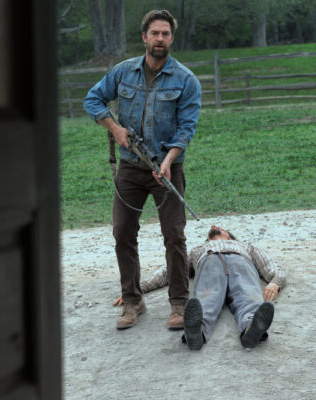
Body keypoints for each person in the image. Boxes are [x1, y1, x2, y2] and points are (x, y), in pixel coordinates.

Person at [84, 9, 202, 330]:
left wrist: (167, 161)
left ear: (171, 38)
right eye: (155, 33)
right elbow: (93, 100)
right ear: (144, 37)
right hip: (129, 169)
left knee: (174, 236)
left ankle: (179, 302)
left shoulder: (186, 80)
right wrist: (115, 129)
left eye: (165, 34)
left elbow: (186, 129)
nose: (160, 39)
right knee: (123, 232)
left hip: (167, 170)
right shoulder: (123, 73)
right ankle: (132, 301)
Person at [114, 225, 286, 350]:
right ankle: (196, 331)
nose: (213, 227)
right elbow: (171, 269)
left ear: (229, 236)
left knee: (248, 295)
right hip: (209, 262)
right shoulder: (198, 249)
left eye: (219, 227)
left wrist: (275, 282)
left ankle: (251, 328)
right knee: (206, 299)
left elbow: (270, 265)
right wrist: (139, 288)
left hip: (241, 262)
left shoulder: (246, 246)